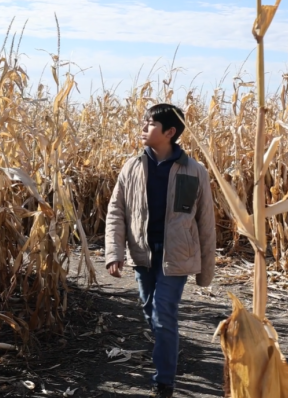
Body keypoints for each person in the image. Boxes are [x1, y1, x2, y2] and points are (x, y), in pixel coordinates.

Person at [105, 103, 216, 398]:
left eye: (150, 124)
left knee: (164, 314)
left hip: (176, 257)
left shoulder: (195, 171)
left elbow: (205, 221)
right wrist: (114, 252)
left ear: (170, 132)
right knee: (149, 310)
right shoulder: (132, 167)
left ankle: (164, 381)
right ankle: (167, 348)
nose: (143, 127)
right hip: (142, 254)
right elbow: (116, 212)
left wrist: (206, 270)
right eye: (144, 122)